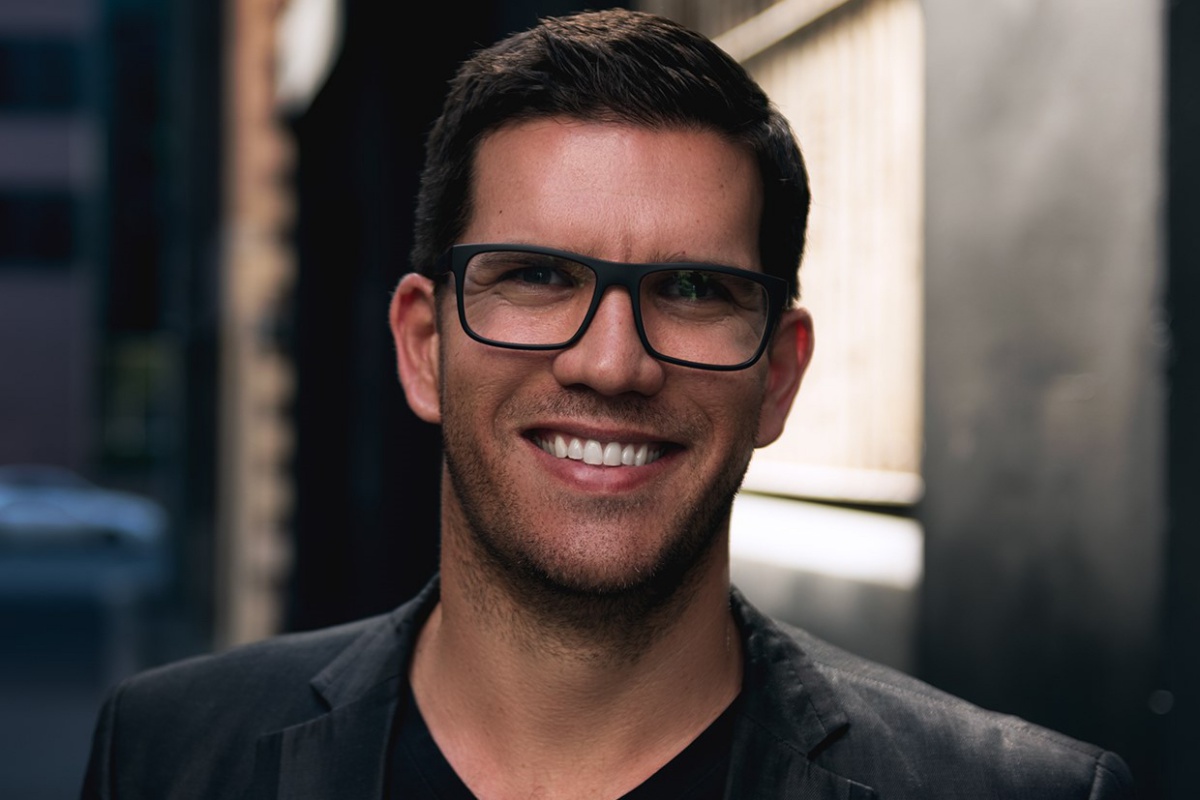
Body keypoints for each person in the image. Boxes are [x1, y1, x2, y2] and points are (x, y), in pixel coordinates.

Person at [81, 9, 1134, 799]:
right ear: (423, 347)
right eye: (538, 276)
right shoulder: (167, 754)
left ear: (779, 374)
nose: (613, 363)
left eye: (693, 289)